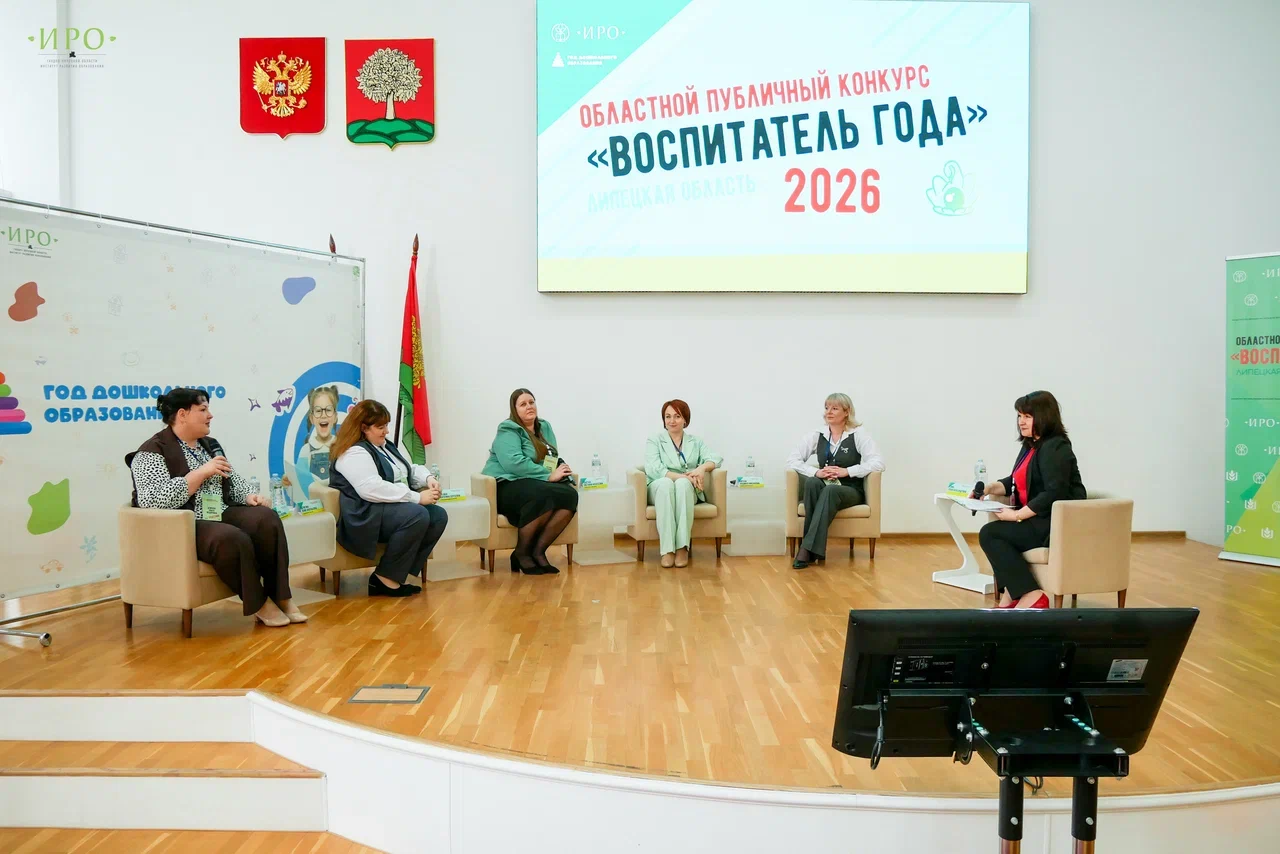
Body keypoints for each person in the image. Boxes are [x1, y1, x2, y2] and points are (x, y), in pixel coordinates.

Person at [127, 388, 303, 628]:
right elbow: (152, 501)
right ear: (182, 414)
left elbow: (231, 478)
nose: (210, 415)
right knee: (230, 537)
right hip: (183, 524)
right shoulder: (151, 452)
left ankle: (281, 596)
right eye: (203, 410)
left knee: (267, 519)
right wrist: (199, 474)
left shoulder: (209, 445)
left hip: (217, 512)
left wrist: (250, 496)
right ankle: (260, 604)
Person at [977, 390, 1087, 610]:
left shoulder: (1055, 447)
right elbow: (1016, 480)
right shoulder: (1030, 445)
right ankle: (1014, 594)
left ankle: (1031, 594)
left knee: (991, 534)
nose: (1021, 422)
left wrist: (1017, 515)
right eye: (1019, 416)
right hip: (1038, 519)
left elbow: (1054, 492)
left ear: (1044, 417)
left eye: (1027, 416)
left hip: (1054, 522)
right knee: (993, 533)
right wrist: (989, 488)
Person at [329, 400, 449, 597]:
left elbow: (406, 469)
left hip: (388, 508)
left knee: (438, 516)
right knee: (417, 514)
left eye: (386, 425)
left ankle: (397, 575)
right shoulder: (353, 452)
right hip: (366, 515)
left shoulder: (383, 446)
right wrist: (417, 497)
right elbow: (371, 488)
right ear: (364, 428)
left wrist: (428, 478)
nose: (386, 431)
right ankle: (383, 579)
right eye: (381, 427)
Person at [480, 388, 578, 575]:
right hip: (507, 483)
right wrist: (548, 476)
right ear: (515, 409)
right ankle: (521, 554)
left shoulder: (544, 427)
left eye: (531, 402)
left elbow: (550, 456)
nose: (529, 407)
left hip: (535, 482)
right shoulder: (508, 429)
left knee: (569, 495)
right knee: (541, 494)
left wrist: (558, 471)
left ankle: (538, 552)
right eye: (523, 404)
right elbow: (513, 463)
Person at [785, 393, 886, 569]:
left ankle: (806, 549)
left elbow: (879, 462)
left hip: (850, 489)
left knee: (830, 490)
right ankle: (813, 551)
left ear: (846, 412)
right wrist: (816, 472)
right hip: (826, 484)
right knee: (812, 483)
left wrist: (847, 471)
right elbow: (792, 460)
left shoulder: (858, 434)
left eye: (834, 408)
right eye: (827, 408)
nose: (828, 412)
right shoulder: (818, 435)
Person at [645, 399, 723, 567]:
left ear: (685, 420)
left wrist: (701, 468)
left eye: (677, 416)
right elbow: (654, 469)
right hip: (660, 485)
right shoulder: (654, 440)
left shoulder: (696, 442)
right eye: (668, 416)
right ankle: (667, 550)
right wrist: (683, 477)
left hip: (686, 487)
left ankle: (682, 547)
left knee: (683, 485)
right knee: (666, 484)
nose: (672, 421)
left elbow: (716, 458)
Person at [294, 385, 339, 499]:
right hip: (313, 507)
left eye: (328, 410)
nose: (323, 415)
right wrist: (290, 480)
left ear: (335, 417)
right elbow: (300, 485)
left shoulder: (342, 448)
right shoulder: (305, 451)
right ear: (312, 418)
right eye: (318, 411)